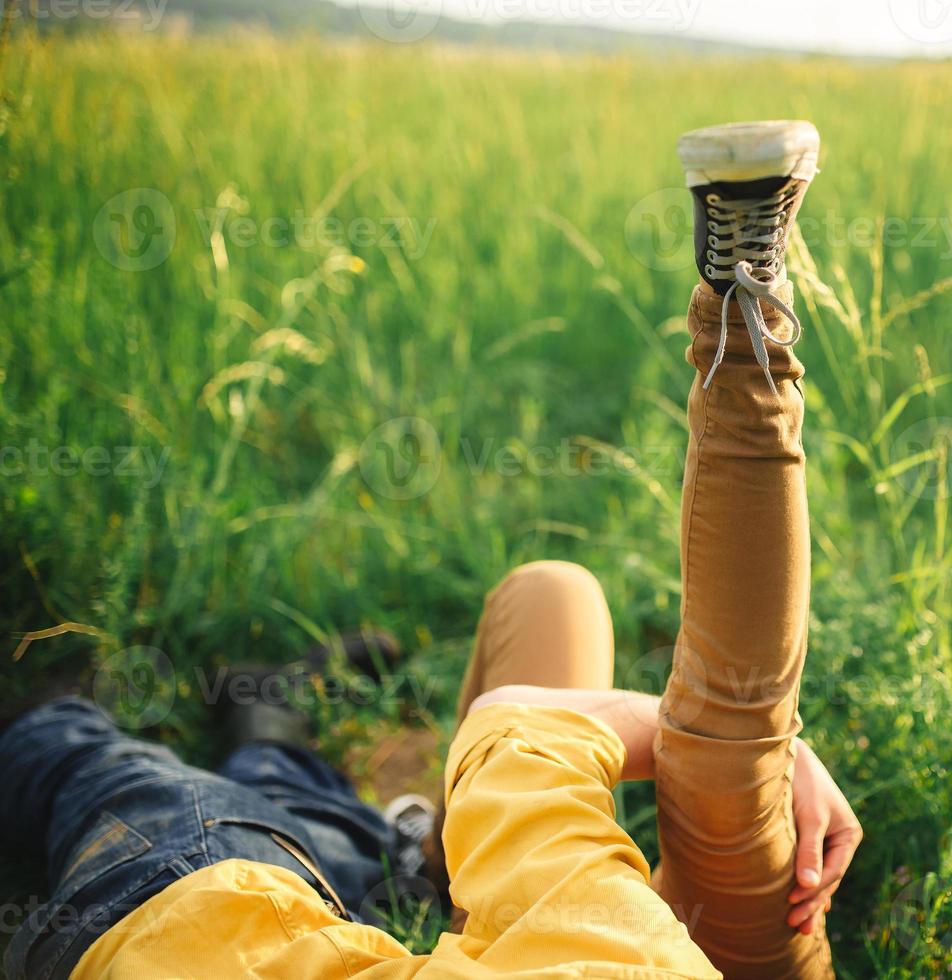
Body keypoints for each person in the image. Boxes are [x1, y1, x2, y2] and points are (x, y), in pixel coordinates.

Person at [0, 118, 856, 979]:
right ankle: (317, 767)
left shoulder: (609, 953)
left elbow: (523, 728)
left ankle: (108, 717)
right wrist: (736, 754)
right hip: (398, 907)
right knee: (549, 622)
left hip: (217, 916)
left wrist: (748, 750)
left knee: (124, 772)